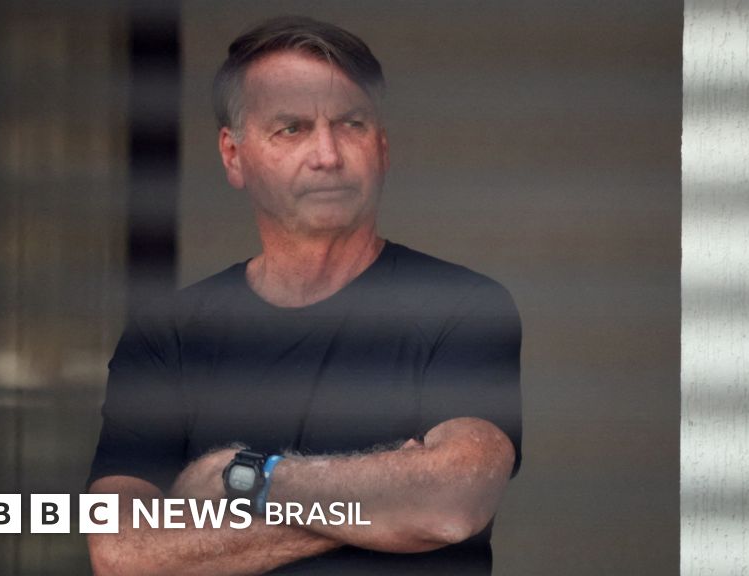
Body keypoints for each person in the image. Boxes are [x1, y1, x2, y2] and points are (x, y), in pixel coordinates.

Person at [86, 15, 522, 576]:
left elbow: (451, 502)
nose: (327, 155)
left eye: (351, 124)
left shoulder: (461, 308)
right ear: (233, 155)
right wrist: (387, 502)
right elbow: (121, 553)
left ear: (382, 146)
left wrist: (242, 478)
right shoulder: (167, 335)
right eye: (291, 128)